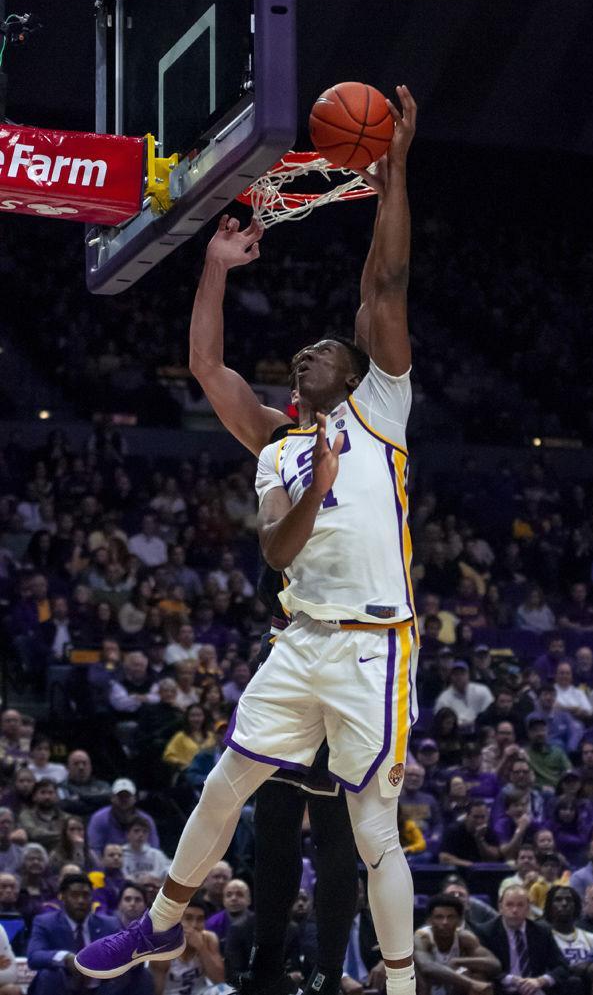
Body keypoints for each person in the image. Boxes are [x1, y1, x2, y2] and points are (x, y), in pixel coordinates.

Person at [77, 84, 420, 995]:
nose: (309, 350)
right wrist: (219, 265)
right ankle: (155, 927)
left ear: (356, 371)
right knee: (224, 783)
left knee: (374, 829)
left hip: (374, 644)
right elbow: (205, 368)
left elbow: (383, 282)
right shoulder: (279, 443)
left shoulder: (380, 415)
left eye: (327, 349)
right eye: (301, 351)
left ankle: (399, 982)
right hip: (301, 637)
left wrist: (393, 179)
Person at [28, 872, 153, 994]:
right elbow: (34, 956)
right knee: (49, 975)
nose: (81, 900)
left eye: (86, 895)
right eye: (75, 895)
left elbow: (126, 952)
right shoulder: (45, 922)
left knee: (141, 973)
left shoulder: (109, 924)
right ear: (63, 897)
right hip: (65, 984)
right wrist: (66, 958)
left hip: (102, 987)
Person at [476, 885, 573, 994]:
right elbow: (484, 968)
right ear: (500, 908)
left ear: (528, 908)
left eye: (520, 905)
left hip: (535, 988)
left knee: (573, 982)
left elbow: (562, 966)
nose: (514, 910)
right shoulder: (486, 931)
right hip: (501, 989)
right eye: (509, 904)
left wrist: (541, 981)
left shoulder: (542, 931)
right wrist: (512, 980)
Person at [413, 894, 500, 995]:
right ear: (430, 920)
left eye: (450, 917)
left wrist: (459, 961)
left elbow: (495, 964)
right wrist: (471, 983)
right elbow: (427, 967)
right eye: (439, 917)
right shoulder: (422, 937)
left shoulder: (465, 937)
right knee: (419, 974)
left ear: (459, 921)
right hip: (426, 988)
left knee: (478, 975)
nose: (445, 922)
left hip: (453, 990)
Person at [542, 885, 593, 995]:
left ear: (577, 906)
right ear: (549, 906)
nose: (564, 904)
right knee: (574, 982)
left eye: (569, 900)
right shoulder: (541, 938)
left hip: (590, 987)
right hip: (556, 987)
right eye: (558, 900)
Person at [151, 898, 224, 994]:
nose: (194, 925)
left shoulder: (209, 938)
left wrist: (202, 948)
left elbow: (219, 980)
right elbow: (157, 991)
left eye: (200, 919)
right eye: (188, 918)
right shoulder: (162, 947)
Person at [86, 778, 160, 856]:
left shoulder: (146, 820)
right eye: (120, 796)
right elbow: (94, 849)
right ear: (112, 798)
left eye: (127, 796)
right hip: (108, 865)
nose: (124, 799)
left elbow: (154, 848)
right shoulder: (99, 818)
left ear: (135, 798)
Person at [439, 800, 501, 867]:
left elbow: (494, 858)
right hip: (460, 872)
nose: (479, 821)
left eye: (483, 817)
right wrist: (472, 866)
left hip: (484, 873)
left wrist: (480, 840)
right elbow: (444, 858)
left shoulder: (490, 832)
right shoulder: (453, 831)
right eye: (475, 817)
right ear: (467, 816)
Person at [122, 815, 171, 881]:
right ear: (127, 834)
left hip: (154, 888)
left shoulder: (156, 855)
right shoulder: (119, 854)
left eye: (145, 831)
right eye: (136, 831)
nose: (141, 835)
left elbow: (168, 872)